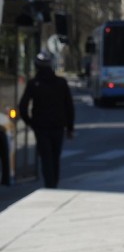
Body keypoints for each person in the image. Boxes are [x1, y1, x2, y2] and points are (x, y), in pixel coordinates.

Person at [17, 51, 74, 188]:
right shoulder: (61, 82)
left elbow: (23, 107)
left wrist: (30, 122)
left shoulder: (33, 83)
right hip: (58, 126)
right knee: (55, 157)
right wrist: (70, 127)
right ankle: (54, 183)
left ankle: (50, 185)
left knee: (46, 157)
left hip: (41, 126)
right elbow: (69, 107)